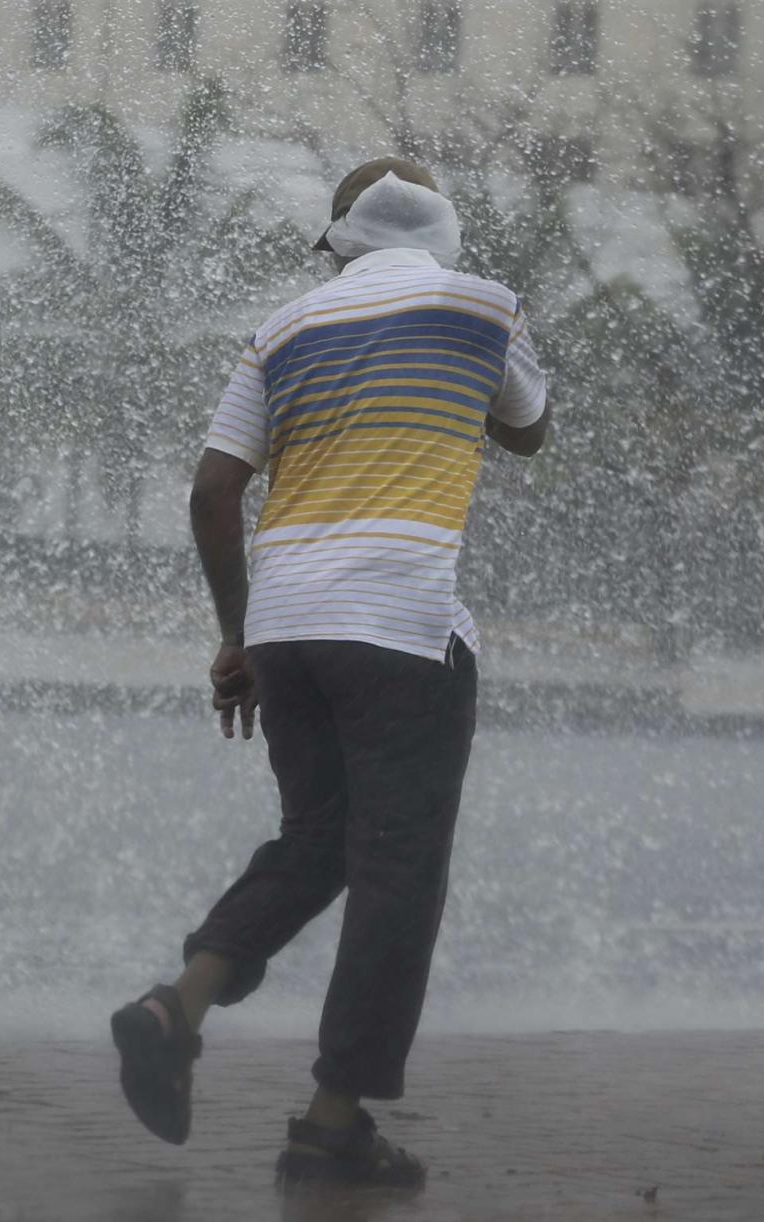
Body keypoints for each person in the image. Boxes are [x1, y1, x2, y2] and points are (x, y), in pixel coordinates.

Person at [110, 156, 550, 1189]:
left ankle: (176, 1008)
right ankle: (332, 1123)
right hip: (402, 628)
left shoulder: (283, 328)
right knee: (399, 871)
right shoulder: (486, 306)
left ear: (339, 238)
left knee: (317, 838)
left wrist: (237, 637)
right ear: (443, 230)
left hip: (287, 629)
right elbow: (529, 431)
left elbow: (213, 492)